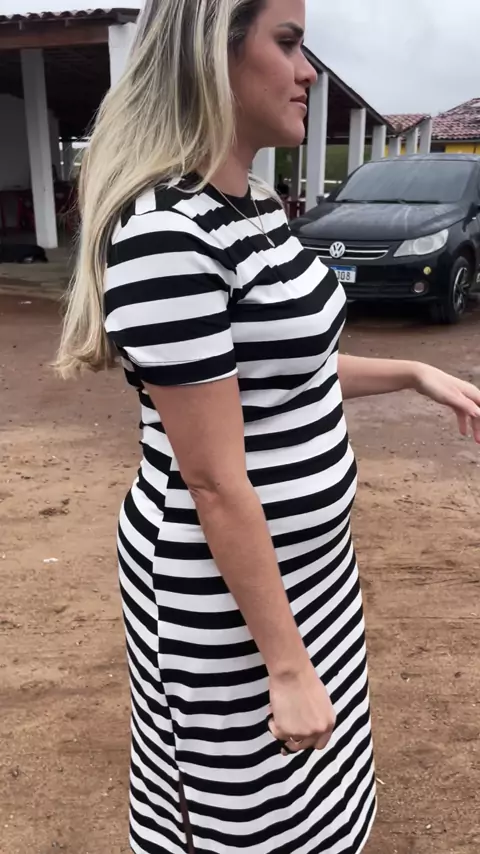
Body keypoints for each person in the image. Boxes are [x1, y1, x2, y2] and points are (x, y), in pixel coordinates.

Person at [56, 1, 480, 852]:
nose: (308, 72)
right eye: (287, 43)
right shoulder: (167, 236)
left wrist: (414, 371)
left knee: (316, 804)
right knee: (242, 819)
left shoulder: (251, 205)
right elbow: (212, 478)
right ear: (211, 54)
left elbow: (283, 372)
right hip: (223, 600)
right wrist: (284, 666)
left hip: (305, 576)